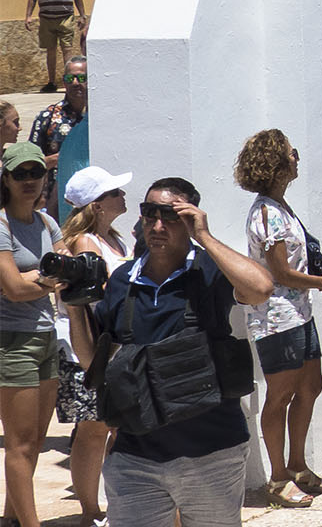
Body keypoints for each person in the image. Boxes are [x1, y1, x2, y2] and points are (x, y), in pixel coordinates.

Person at [69, 176, 275, 527]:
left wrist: (205, 237)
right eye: (150, 214)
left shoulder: (210, 272)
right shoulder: (122, 282)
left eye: (170, 215)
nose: (158, 225)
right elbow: (92, 361)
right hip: (137, 458)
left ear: (190, 218)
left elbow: (261, 288)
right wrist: (74, 303)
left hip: (213, 454)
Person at [234, 131, 322, 508]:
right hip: (277, 319)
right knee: (281, 396)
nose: (297, 157)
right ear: (278, 163)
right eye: (292, 153)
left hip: (299, 314)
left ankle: (298, 465)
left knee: (311, 386)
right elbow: (280, 274)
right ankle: (277, 478)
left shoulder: (280, 207)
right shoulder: (267, 214)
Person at [51, 165, 130, 525]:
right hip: (87, 349)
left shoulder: (115, 239)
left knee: (111, 426)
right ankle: (89, 511)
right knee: (92, 429)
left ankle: (105, 503)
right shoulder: (86, 244)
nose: (122, 196)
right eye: (114, 192)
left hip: (110, 344)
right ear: (97, 205)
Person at [0, 144, 62, 527]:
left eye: (34, 173)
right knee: (20, 444)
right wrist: (47, 280)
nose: (28, 181)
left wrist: (30, 281)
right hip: (11, 340)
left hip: (46, 336)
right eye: (19, 174)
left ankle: (11, 516)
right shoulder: (2, 224)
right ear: (5, 179)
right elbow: (14, 290)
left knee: (37, 440)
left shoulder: (46, 223)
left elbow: (66, 277)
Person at [24, 0, 84, 94]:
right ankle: (51, 82)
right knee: (50, 50)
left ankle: (69, 81)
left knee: (67, 50)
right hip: (46, 18)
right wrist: (28, 16)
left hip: (66, 17)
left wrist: (82, 15)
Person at [28, 57, 87, 183]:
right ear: (64, 82)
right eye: (70, 79)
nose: (76, 83)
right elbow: (30, 163)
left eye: (82, 78)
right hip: (55, 194)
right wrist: (59, 158)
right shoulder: (47, 117)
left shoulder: (100, 117)